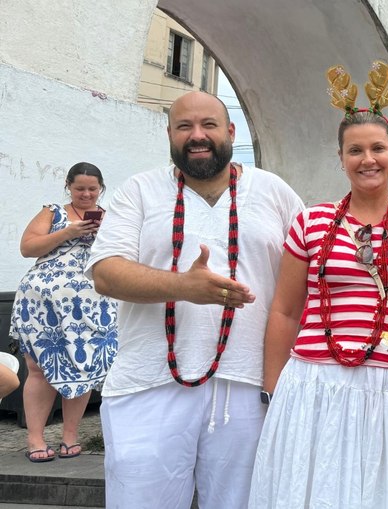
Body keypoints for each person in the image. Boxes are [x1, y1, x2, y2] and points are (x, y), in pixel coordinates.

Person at [249, 61, 388, 508]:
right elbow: (285, 311)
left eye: (378, 148)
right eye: (355, 151)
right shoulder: (309, 221)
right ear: (341, 158)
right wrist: (273, 389)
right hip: (313, 386)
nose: (368, 159)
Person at [87, 91, 303, 508]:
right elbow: (105, 272)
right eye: (184, 127)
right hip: (148, 384)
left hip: (250, 386)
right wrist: (183, 287)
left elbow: (311, 271)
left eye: (208, 125)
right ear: (169, 134)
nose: (197, 136)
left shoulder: (273, 191)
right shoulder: (140, 190)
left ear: (231, 131)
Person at [10, 162, 118, 463]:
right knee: (39, 369)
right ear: (68, 186)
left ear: (101, 189)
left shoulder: (110, 218)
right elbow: (28, 248)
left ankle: (70, 436)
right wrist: (69, 232)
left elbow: (123, 255)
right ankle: (35, 439)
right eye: (79, 188)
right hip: (42, 302)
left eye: (92, 189)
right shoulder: (53, 212)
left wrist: (101, 236)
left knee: (84, 367)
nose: (86, 194)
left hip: (91, 304)